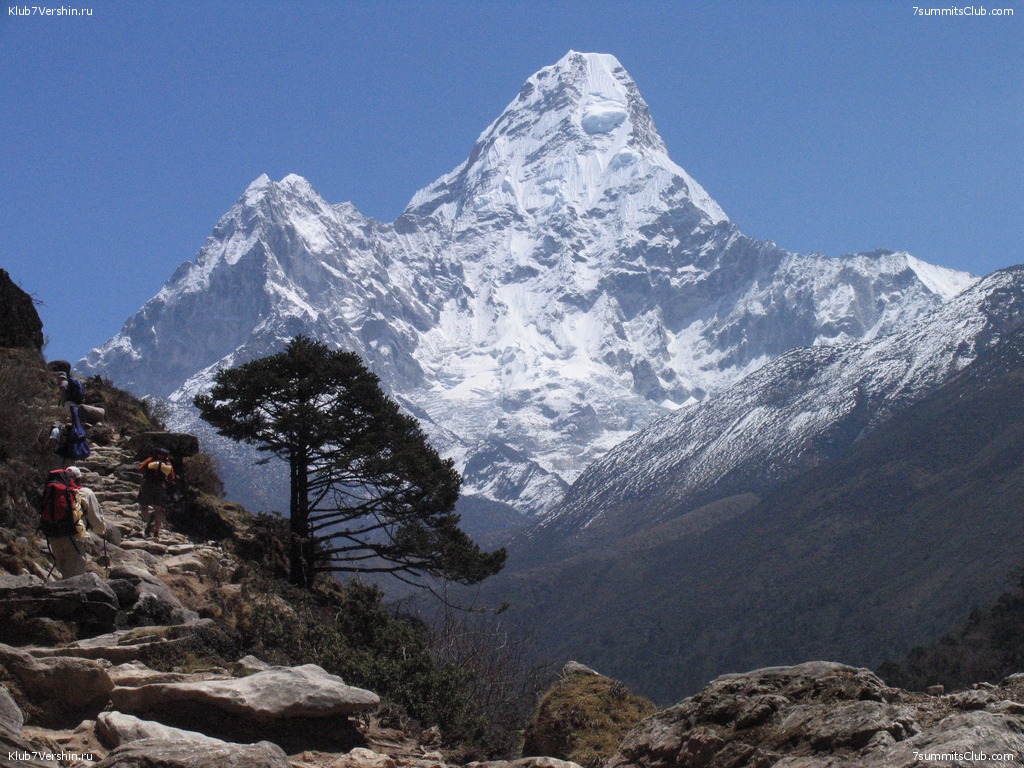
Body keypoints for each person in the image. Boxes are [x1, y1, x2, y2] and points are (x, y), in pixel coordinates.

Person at [44, 466, 108, 579]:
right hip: (74, 537)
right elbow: (95, 519)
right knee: (75, 576)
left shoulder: (54, 490)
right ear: (78, 479)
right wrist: (102, 530)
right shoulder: (85, 492)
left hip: (54, 535)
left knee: (63, 572)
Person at [138, 448, 175, 538]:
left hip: (147, 485)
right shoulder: (168, 464)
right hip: (160, 487)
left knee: (144, 506)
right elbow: (171, 478)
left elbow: (140, 469)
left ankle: (148, 522)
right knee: (158, 510)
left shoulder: (150, 460)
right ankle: (156, 532)